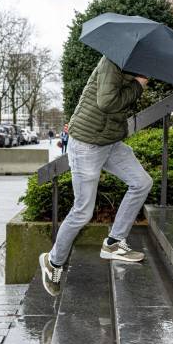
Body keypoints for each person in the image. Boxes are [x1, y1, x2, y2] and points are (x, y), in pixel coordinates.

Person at [39, 55, 152, 296]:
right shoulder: (112, 61)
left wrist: (136, 84)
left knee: (141, 182)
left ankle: (113, 243)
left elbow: (116, 108)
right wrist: (137, 86)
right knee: (83, 211)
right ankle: (53, 261)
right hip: (87, 144)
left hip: (109, 142)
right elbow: (107, 102)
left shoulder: (130, 67)